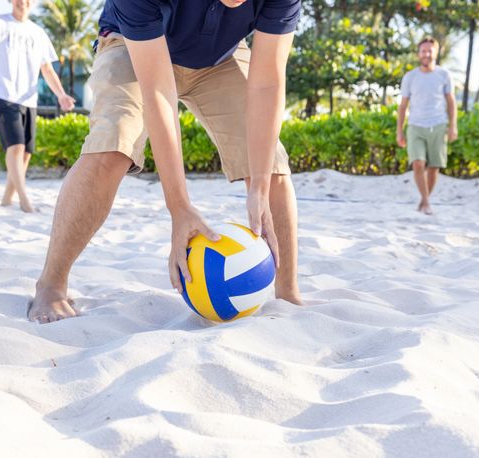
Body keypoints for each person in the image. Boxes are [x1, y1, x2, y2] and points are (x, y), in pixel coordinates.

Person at [28, 0, 303, 323]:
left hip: (220, 57)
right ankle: (51, 284)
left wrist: (258, 185)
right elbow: (158, 91)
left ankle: (288, 293)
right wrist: (179, 207)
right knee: (113, 147)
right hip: (130, 45)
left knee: (272, 168)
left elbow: (268, 82)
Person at [0, 0, 75, 213]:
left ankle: (7, 198)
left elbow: (47, 69)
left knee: (26, 152)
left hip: (29, 98)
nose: (23, 2)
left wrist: (61, 95)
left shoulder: (38, 32)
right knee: (15, 147)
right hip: (3, 93)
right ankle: (25, 200)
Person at [396, 36, 458, 215]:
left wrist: (453, 126)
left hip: (438, 125)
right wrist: (399, 131)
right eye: (423, 51)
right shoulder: (410, 77)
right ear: (418, 54)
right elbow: (403, 106)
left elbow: (451, 101)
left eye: (430, 51)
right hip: (416, 125)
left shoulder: (444, 75)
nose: (427, 54)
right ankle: (426, 202)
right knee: (418, 163)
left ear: (436, 53)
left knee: (433, 168)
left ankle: (424, 201)